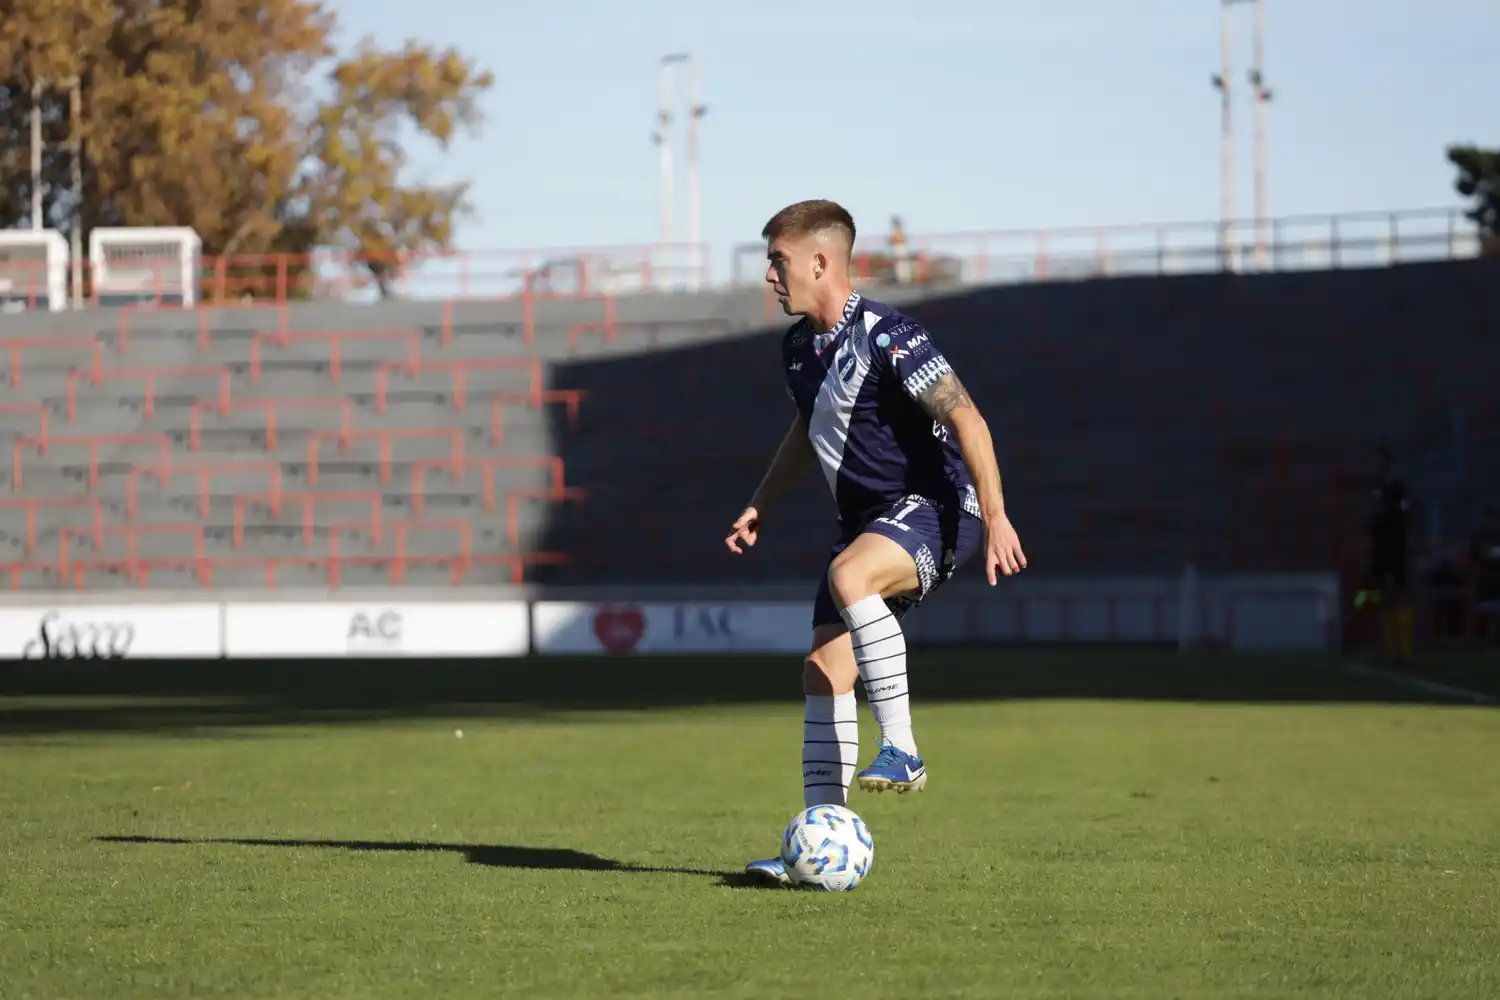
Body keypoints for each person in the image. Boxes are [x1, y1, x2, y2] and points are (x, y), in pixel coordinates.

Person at [723, 199, 1026, 884]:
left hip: (940, 510)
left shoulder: (891, 335)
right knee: (824, 672)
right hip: (867, 526)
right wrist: (760, 504)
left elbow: (968, 418)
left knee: (851, 577)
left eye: (779, 261)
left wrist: (1000, 513)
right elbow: (808, 430)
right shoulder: (799, 348)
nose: (771, 276)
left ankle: (904, 749)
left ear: (821, 262)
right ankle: (820, 840)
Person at [1469, 506, 1500, 647]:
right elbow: (1474, 555)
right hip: (1484, 579)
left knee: (1496, 612)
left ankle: (1494, 640)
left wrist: (1488, 554)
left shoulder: (1498, 537)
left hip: (1496, 578)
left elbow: (1494, 556)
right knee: (1485, 611)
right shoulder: (1479, 537)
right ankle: (1486, 639)